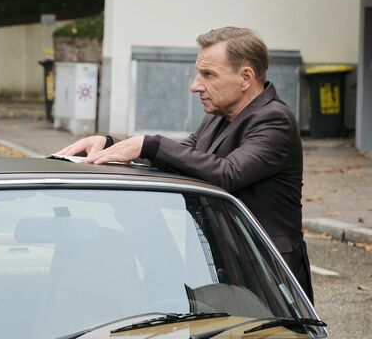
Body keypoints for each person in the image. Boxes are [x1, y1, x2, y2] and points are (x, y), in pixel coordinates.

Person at [57, 26, 313, 302]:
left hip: (268, 274)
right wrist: (111, 145)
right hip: (223, 268)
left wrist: (151, 144)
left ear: (246, 77)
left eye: (208, 75)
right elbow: (180, 157)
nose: (195, 85)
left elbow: (228, 172)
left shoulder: (274, 120)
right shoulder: (219, 116)